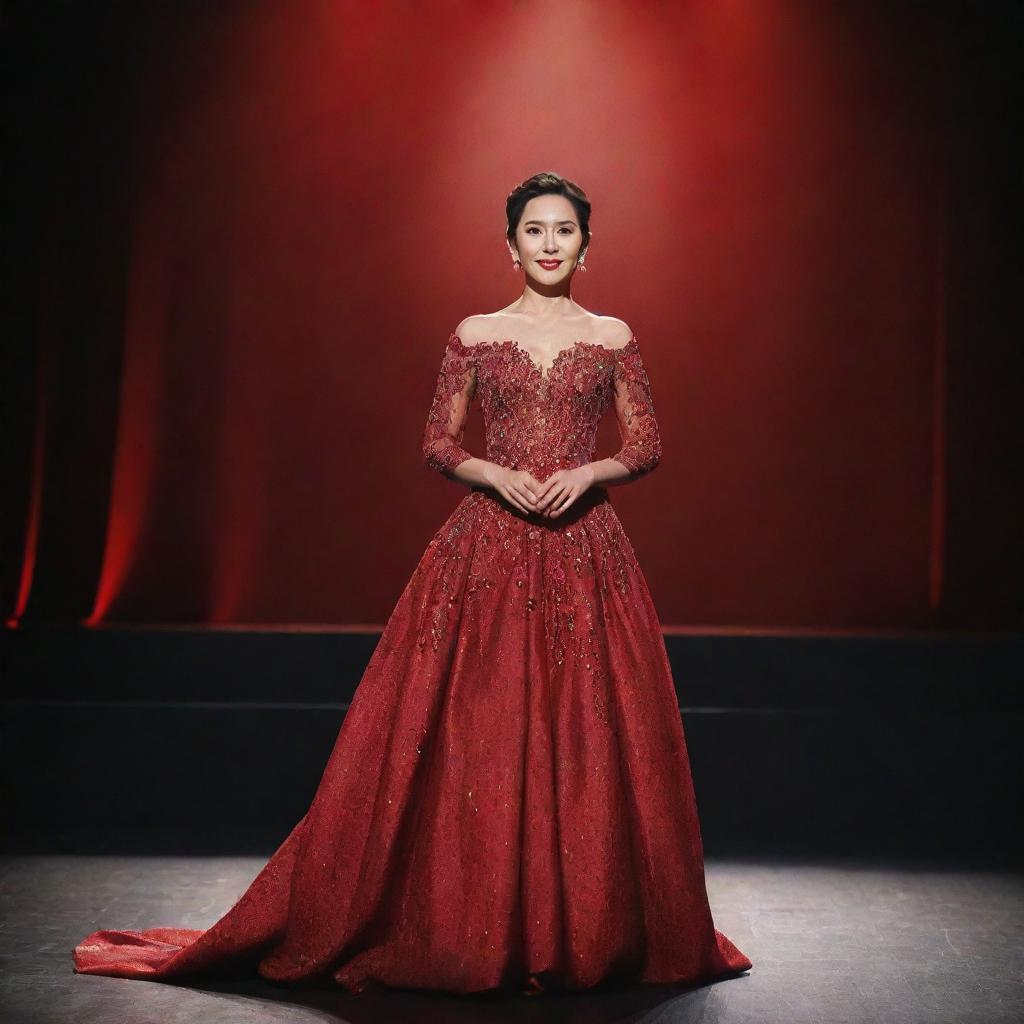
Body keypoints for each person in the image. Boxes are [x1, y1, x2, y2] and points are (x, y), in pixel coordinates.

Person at [73, 171, 752, 996]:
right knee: (476, 729)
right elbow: (437, 440)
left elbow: (646, 444)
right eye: (533, 230)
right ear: (510, 246)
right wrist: (495, 475)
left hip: (585, 550)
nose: (547, 243)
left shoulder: (612, 335)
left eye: (563, 231)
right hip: (486, 552)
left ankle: (580, 928)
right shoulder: (474, 331)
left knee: (588, 737)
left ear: (586, 245)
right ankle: (465, 925)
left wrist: (588, 471)